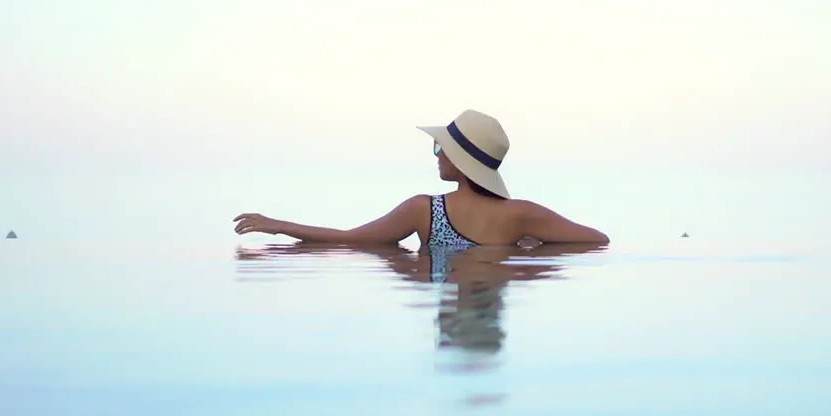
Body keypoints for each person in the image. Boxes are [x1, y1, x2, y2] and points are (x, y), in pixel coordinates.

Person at [232, 109, 609, 246]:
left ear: (460, 161)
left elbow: (349, 241)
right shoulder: (521, 215)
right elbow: (597, 240)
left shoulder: (423, 212)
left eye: (440, 148)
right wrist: (530, 254)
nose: (437, 155)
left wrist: (279, 225)